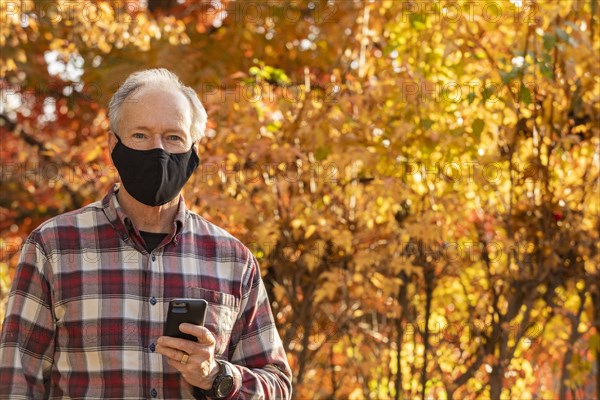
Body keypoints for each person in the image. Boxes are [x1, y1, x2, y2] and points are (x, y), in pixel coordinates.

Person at [0, 68, 292, 399]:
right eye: (140, 135)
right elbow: (16, 381)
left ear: (194, 151)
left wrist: (215, 376)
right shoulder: (52, 247)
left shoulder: (233, 259)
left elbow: (278, 385)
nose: (158, 151)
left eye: (173, 137)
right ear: (113, 143)